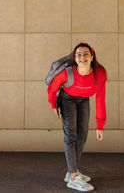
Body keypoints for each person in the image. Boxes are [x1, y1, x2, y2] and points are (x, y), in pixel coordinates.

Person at [47, 42, 107, 191]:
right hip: (66, 99)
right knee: (71, 135)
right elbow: (52, 88)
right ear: (75, 58)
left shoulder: (99, 73)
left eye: (86, 54)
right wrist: (54, 105)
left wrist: (100, 125)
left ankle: (71, 171)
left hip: (83, 99)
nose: (82, 57)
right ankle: (73, 176)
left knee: (83, 134)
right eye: (78, 55)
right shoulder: (67, 73)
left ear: (92, 57)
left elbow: (100, 98)